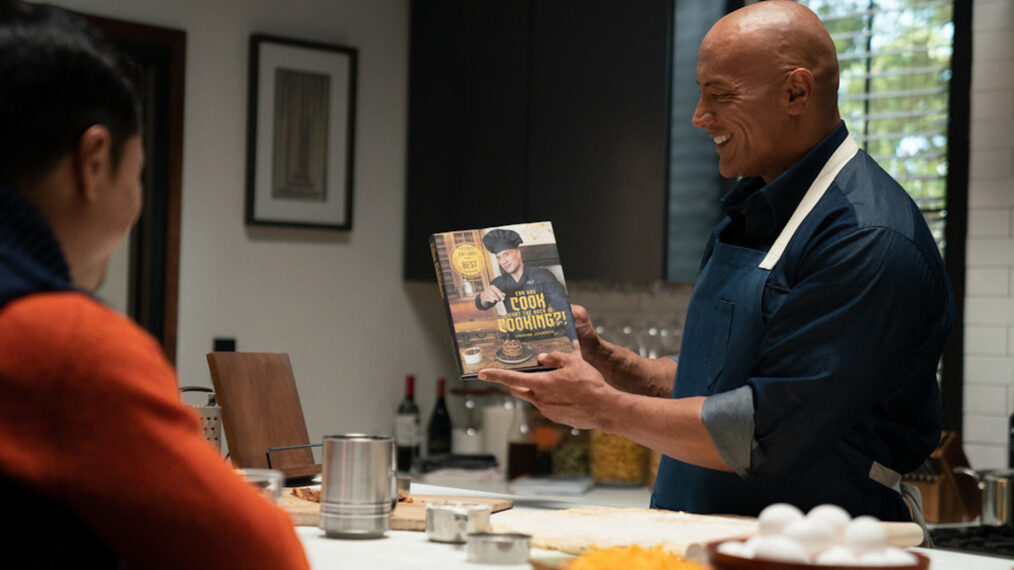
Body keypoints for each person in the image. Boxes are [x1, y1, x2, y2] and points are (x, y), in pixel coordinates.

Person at [479, 0, 953, 526]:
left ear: (797, 91)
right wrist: (605, 361)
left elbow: (763, 430)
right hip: (703, 539)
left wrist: (602, 408)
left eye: (721, 95)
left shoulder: (867, 238)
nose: (700, 117)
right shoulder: (755, 207)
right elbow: (714, 388)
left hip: (812, 553)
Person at [0, 3, 309, 568]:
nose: (137, 201)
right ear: (93, 160)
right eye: (136, 174)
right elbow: (266, 557)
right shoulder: (63, 344)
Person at [475, 228, 576, 342]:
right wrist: (483, 297)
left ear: (518, 252)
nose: (503, 261)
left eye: (506, 254)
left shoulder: (542, 275)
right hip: (516, 340)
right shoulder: (500, 282)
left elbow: (565, 310)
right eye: (499, 257)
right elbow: (482, 304)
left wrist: (575, 340)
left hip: (544, 337)